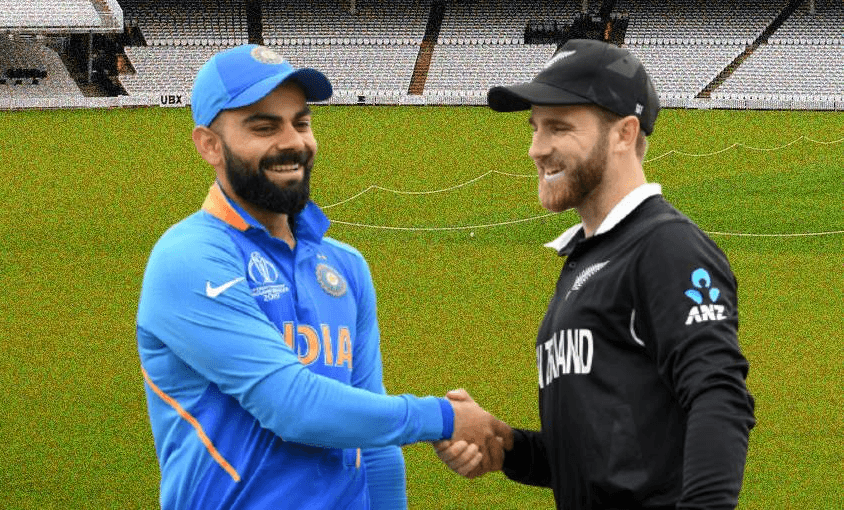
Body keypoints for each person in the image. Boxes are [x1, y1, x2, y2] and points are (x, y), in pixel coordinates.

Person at [135, 44, 510, 510]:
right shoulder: (189, 258)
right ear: (209, 144)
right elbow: (290, 404)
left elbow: (373, 446)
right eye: (264, 127)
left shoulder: (346, 265)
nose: (292, 142)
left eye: (301, 122)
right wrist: (443, 417)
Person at [434, 39, 756, 509]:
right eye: (535, 128)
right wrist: (507, 447)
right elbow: (608, 460)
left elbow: (719, 396)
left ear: (624, 133)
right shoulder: (588, 257)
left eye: (559, 127)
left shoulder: (665, 247)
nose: (536, 149)